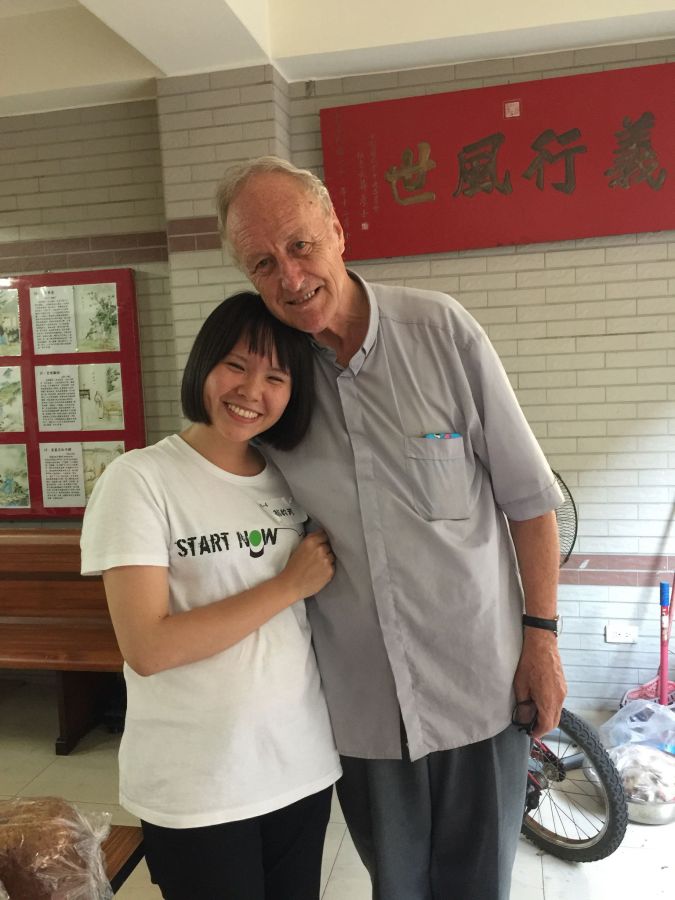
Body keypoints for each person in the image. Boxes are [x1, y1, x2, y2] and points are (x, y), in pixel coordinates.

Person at [216, 157, 568, 900]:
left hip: (479, 687)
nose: (289, 277)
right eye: (263, 263)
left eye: (300, 245)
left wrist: (541, 639)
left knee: (478, 885)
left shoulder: (440, 332)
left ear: (337, 230)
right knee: (396, 886)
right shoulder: (273, 383)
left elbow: (529, 501)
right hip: (364, 708)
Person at [80, 292, 341, 900]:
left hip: (299, 766)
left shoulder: (289, 480)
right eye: (236, 366)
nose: (252, 390)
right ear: (203, 365)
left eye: (275, 377)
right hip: (198, 785)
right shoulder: (139, 479)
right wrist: (287, 585)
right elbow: (148, 647)